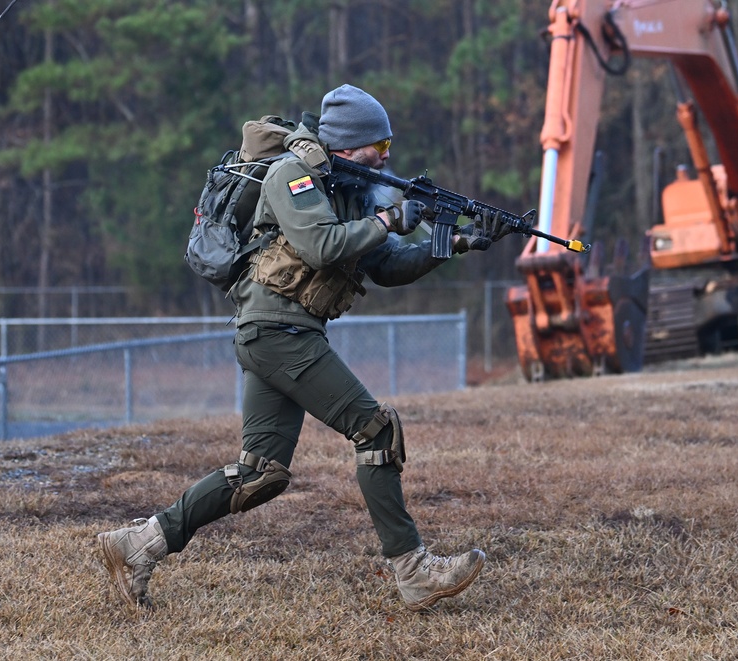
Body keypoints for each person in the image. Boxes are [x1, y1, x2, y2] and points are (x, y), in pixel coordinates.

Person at [97, 84, 511, 613]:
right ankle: (414, 572)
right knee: (377, 430)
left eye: (389, 146)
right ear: (346, 145)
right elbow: (322, 245)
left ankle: (137, 545)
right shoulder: (290, 175)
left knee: (260, 475)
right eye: (377, 147)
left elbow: (385, 267)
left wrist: (455, 243)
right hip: (277, 331)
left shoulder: (351, 191)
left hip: (287, 334)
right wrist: (390, 219)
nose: (386, 157)